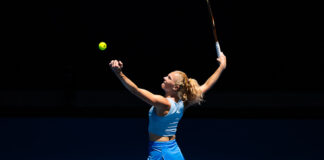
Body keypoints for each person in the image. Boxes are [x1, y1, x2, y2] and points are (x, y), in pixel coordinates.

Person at [109, 52, 226, 160]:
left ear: (175, 87)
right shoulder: (183, 102)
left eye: (169, 78)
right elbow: (206, 85)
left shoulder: (164, 103)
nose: (164, 78)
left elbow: (136, 90)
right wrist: (221, 67)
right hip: (174, 149)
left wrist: (119, 73)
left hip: (160, 152)